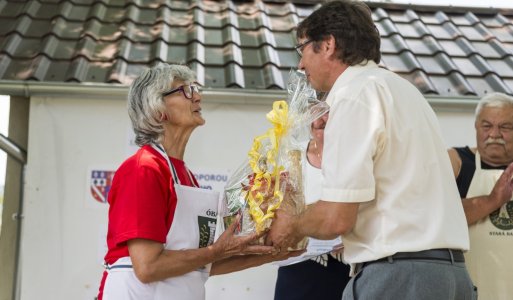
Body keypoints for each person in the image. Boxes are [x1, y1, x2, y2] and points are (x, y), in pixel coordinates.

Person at [266, 1, 476, 299]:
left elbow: (336, 218)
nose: (300, 65)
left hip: (399, 276)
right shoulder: (403, 90)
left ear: (327, 45)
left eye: (303, 50)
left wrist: (288, 221)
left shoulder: (353, 95)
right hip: (450, 274)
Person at [97, 63, 298, 300]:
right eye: (185, 91)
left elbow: (201, 266)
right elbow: (148, 267)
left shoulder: (186, 177)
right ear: (157, 110)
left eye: (194, 89)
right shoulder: (143, 169)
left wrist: (271, 254)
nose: (197, 96)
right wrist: (216, 251)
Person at [274, 112, 351, 300]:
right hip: (298, 268)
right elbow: (276, 212)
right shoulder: (291, 157)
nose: (322, 119)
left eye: (330, 112)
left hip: (348, 268)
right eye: (317, 112)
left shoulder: (355, 157)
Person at [448, 92, 513, 300]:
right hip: (469, 291)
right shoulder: (456, 162)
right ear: (476, 127)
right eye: (487, 126)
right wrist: (492, 200)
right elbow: (438, 217)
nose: (494, 134)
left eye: (505, 127)